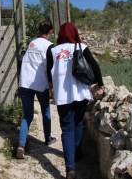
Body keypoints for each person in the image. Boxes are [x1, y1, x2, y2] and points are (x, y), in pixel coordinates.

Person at [47, 22, 104, 179]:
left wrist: (51, 89)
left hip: (62, 96)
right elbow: (95, 66)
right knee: (78, 124)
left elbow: (48, 74)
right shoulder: (81, 47)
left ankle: (70, 167)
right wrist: (101, 86)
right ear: (75, 33)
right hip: (80, 94)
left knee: (66, 129)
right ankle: (77, 154)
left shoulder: (52, 50)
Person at [17, 21, 57, 159]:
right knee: (45, 110)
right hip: (40, 83)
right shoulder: (50, 46)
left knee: (27, 115)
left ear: (39, 31)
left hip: (24, 82)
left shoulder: (31, 43)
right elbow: (50, 68)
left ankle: (21, 145)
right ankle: (48, 138)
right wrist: (52, 88)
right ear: (51, 31)